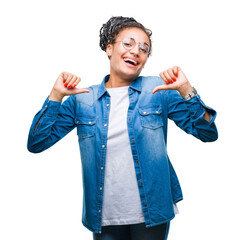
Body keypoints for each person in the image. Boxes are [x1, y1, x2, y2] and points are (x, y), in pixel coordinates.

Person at [27, 16, 218, 240]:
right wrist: (56, 96)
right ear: (109, 49)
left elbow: (208, 133)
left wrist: (186, 90)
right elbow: (37, 143)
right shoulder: (83, 100)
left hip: (152, 213)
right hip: (104, 217)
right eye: (128, 43)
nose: (136, 51)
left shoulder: (158, 91)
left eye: (144, 48)